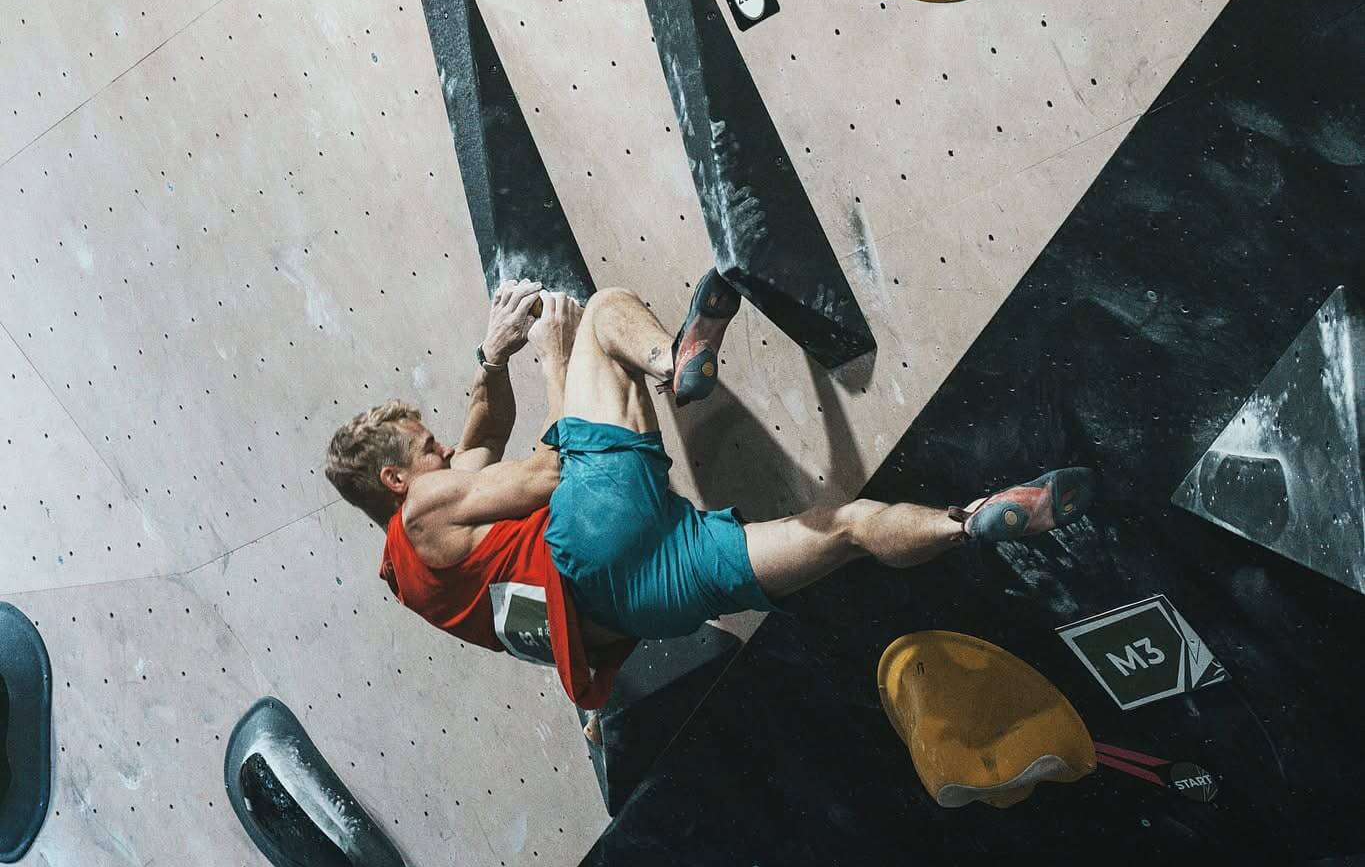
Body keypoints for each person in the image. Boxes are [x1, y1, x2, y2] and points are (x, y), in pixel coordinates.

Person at [325, 272, 1095, 742]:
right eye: (424, 447)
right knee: (602, 313)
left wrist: (492, 358)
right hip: (586, 538)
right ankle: (675, 359)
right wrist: (554, 357)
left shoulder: (414, 570)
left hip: (643, 603)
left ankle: (964, 521)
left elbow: (479, 436)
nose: (442, 449)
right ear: (395, 481)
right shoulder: (424, 505)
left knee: (851, 527)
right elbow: (548, 471)